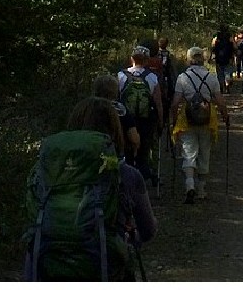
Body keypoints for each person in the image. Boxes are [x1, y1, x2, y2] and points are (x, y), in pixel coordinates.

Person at [23, 97, 157, 280]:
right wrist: (127, 239)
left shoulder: (44, 172)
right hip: (106, 271)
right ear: (114, 130)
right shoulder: (127, 174)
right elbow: (148, 230)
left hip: (46, 268)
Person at [170, 47, 229, 204]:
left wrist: (174, 120)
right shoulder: (211, 77)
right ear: (203, 59)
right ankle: (201, 189)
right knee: (204, 152)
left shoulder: (182, 78)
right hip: (207, 119)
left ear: (189, 60)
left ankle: (189, 185)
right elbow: (220, 101)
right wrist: (226, 117)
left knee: (188, 152)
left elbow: (175, 104)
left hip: (187, 120)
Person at [118, 45, 164, 184]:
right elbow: (158, 103)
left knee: (127, 151)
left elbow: (115, 100)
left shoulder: (121, 76)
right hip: (145, 120)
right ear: (147, 60)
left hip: (126, 120)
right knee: (143, 151)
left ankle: (127, 180)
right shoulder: (152, 77)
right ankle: (141, 181)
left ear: (132, 59)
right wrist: (161, 121)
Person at [94, 73, 140, 162]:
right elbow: (134, 138)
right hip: (117, 156)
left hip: (91, 155)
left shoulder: (87, 107)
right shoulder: (120, 109)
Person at [210, 24, 236, 94]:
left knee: (220, 73)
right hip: (228, 58)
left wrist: (211, 57)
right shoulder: (230, 38)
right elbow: (234, 47)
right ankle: (227, 86)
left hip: (219, 58)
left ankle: (221, 86)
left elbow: (212, 48)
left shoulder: (217, 38)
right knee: (227, 72)